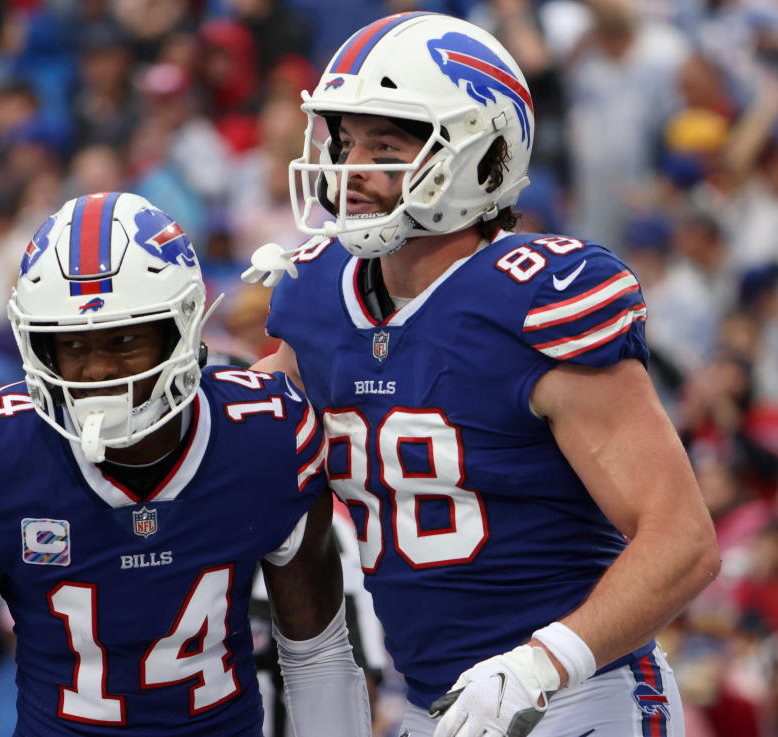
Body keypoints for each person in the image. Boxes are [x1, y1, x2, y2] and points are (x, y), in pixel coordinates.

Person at [242, 12, 721, 737]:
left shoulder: (535, 301)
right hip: (432, 703)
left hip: (577, 691)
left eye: (386, 142)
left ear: (483, 157)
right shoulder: (315, 298)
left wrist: (541, 661)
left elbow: (683, 540)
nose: (351, 166)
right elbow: (249, 432)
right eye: (343, 140)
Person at [0, 192, 371, 737]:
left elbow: (316, 652)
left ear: (183, 326)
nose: (99, 370)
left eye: (125, 339)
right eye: (71, 343)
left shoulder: (266, 438)